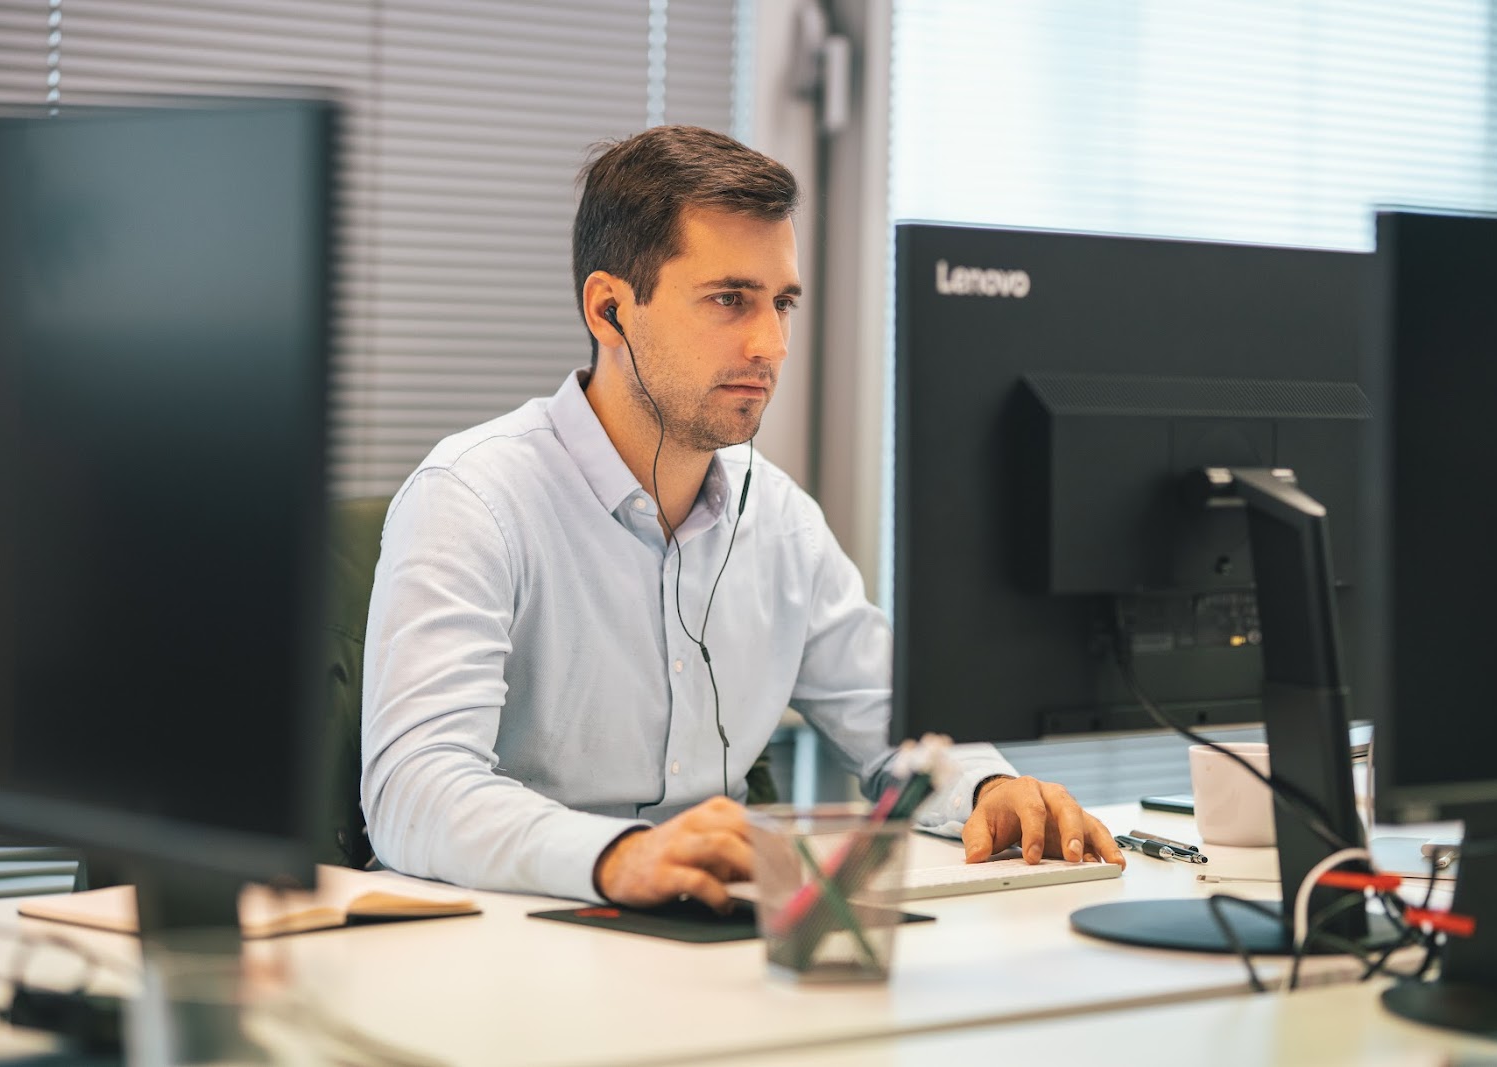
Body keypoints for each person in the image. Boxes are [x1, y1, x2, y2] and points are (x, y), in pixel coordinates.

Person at [360, 125, 1124, 910]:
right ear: (610, 308)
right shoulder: (474, 497)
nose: (772, 345)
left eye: (782, 303)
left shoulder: (780, 517)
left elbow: (897, 725)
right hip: (498, 947)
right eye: (729, 299)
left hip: (702, 936)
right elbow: (413, 788)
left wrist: (990, 787)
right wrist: (619, 857)